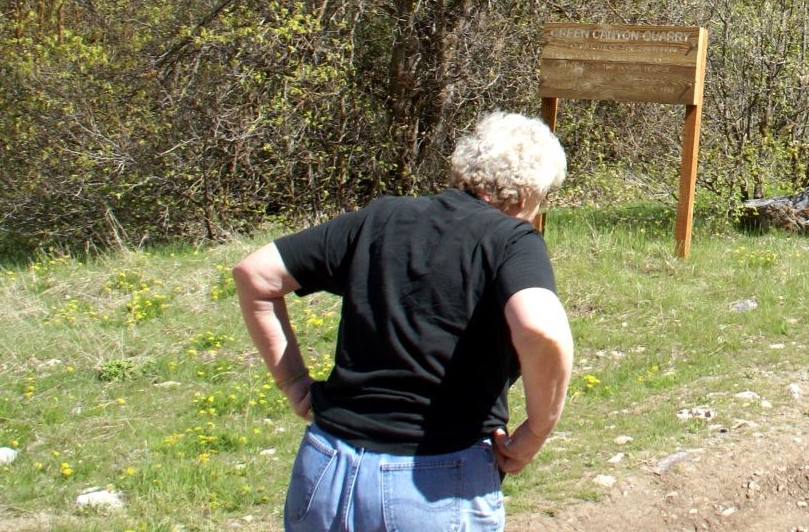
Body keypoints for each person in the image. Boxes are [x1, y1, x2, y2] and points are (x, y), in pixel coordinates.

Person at [231, 111, 574, 532]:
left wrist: (293, 382)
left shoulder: (381, 217)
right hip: (434, 478)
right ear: (525, 198)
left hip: (326, 466)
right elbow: (541, 329)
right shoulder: (511, 240)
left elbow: (256, 275)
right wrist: (537, 430)